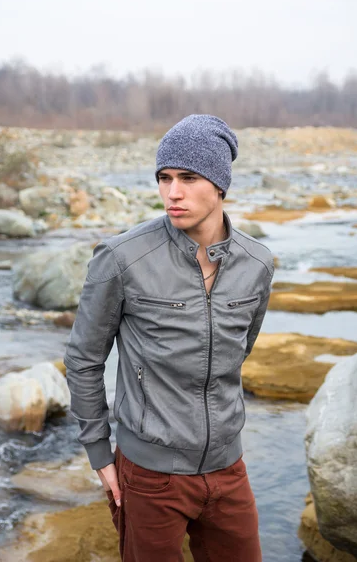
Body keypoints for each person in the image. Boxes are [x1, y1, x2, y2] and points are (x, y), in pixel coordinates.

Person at [64, 114, 274, 562]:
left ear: (220, 185)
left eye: (188, 177)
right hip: (149, 477)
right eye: (164, 178)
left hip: (228, 471)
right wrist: (101, 454)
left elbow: (238, 353)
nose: (172, 193)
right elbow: (83, 359)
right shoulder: (121, 258)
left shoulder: (257, 263)